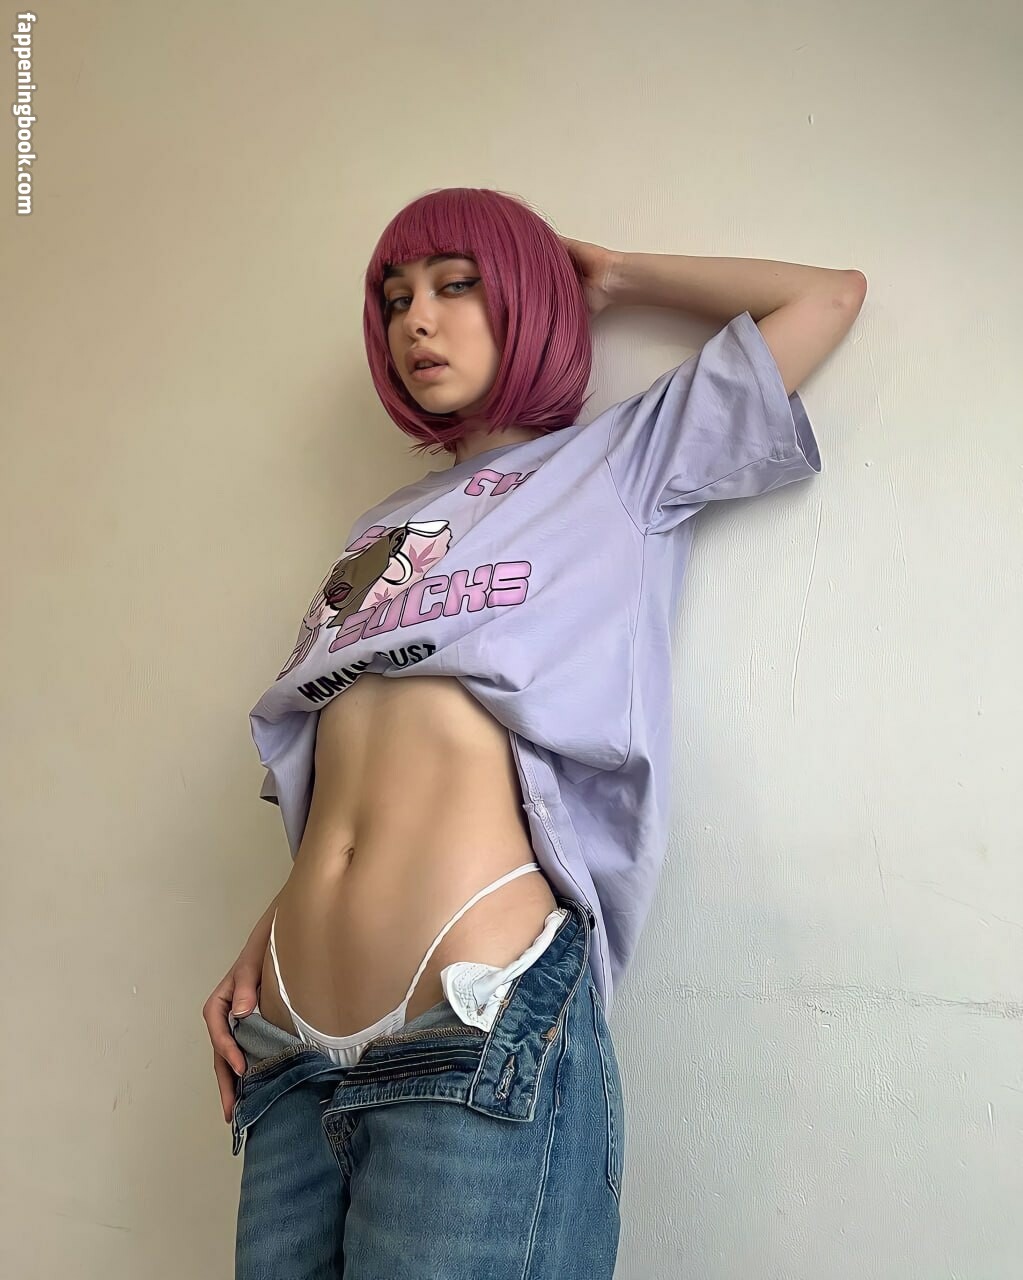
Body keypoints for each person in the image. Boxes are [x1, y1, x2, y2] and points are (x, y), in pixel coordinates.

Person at [202, 186, 866, 1279]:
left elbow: (827, 299)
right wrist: (264, 943)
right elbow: (365, 768)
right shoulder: (376, 531)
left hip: (468, 1019)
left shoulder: (619, 465)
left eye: (458, 285)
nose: (418, 319)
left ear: (525, 296)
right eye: (396, 298)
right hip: (286, 1045)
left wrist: (614, 276)